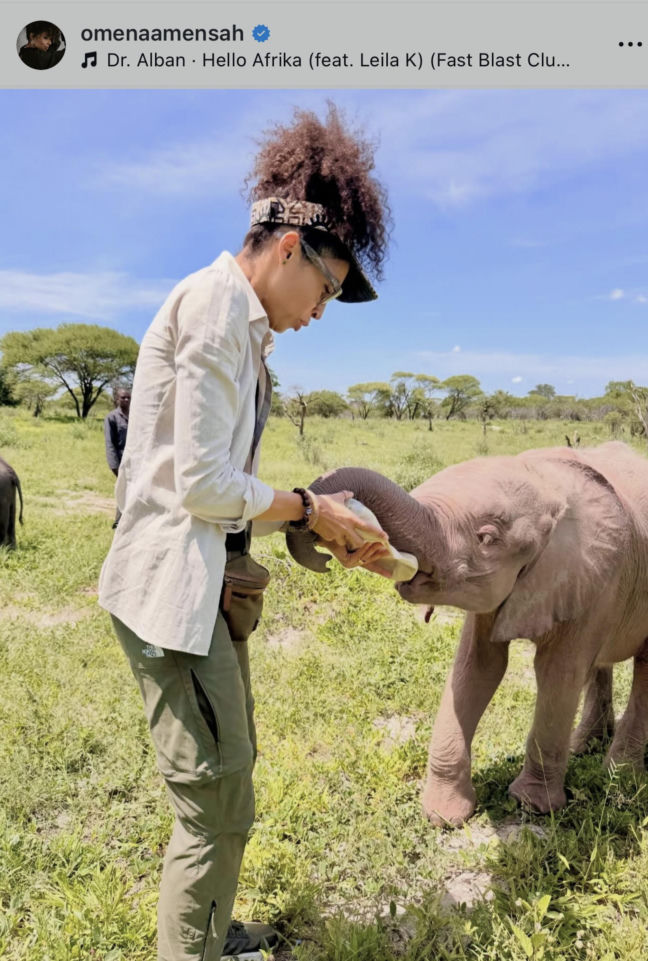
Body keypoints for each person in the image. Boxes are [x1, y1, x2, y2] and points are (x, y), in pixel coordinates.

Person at [98, 104, 392, 961]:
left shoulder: (244, 329)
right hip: (169, 598)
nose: (324, 310)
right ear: (291, 246)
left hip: (199, 595)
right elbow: (201, 484)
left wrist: (306, 512)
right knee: (214, 796)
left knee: (233, 773)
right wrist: (310, 507)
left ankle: (216, 928)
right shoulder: (218, 308)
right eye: (330, 289)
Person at [104, 387, 131, 528]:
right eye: (123, 397)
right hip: (121, 462)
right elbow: (110, 444)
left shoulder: (135, 416)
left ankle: (131, 520)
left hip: (136, 460)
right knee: (123, 489)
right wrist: (114, 466)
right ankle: (119, 522)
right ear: (117, 399)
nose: (126, 400)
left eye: (128, 397)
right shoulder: (112, 417)